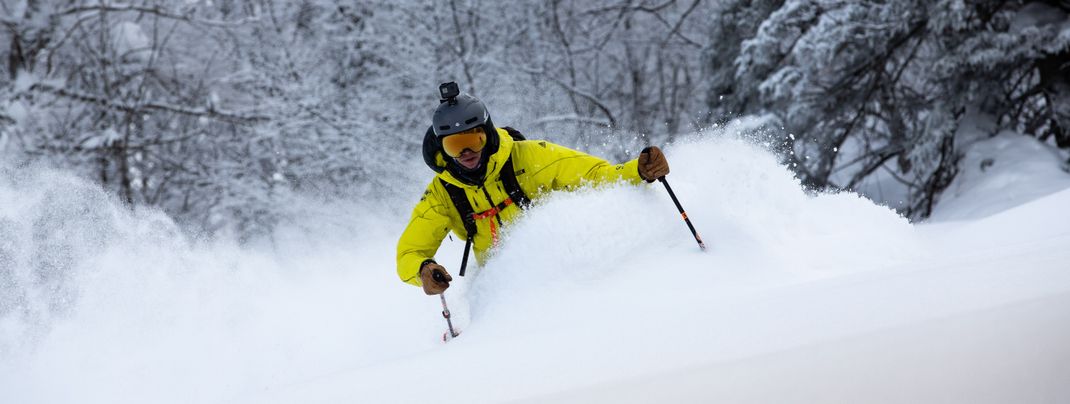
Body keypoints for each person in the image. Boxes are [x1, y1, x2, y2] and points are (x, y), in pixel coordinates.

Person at [396, 82, 670, 295]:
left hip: (560, 276)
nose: (467, 152)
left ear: (487, 134)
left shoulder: (528, 156)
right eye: (455, 146)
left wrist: (638, 170)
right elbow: (410, 252)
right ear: (442, 148)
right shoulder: (444, 192)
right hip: (502, 293)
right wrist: (423, 271)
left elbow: (596, 175)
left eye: (474, 140)